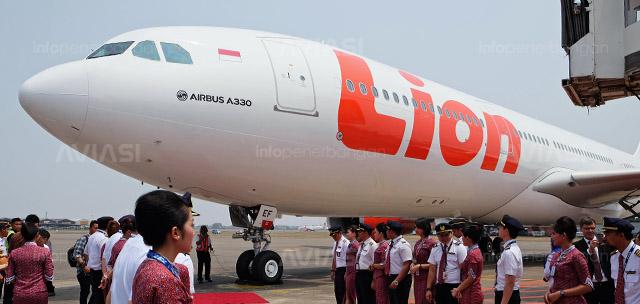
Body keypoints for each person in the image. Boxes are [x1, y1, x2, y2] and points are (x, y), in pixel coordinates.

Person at [111, 193, 197, 304]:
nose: (194, 232)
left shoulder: (146, 266)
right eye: (191, 225)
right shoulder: (165, 279)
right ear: (175, 232)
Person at [544, 216, 593, 304]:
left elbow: (588, 286)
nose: (552, 236)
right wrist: (549, 293)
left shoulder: (576, 256)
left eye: (554, 233)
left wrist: (561, 293)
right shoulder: (556, 255)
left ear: (563, 235)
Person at [5, 223, 54, 304]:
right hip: (39, 292)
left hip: (20, 293)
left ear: (22, 235)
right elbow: (49, 274)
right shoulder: (45, 251)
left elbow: (9, 276)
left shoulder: (14, 253)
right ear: (37, 235)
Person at [573, 217, 614, 304]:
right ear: (581, 229)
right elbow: (579, 263)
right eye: (587, 228)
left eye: (592, 228)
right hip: (589, 287)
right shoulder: (576, 246)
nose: (590, 230)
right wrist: (590, 250)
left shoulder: (604, 242)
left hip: (607, 286)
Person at [426, 222, 467, 304]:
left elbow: (464, 269)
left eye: (446, 235)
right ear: (437, 235)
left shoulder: (459, 247)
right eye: (441, 235)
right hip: (440, 286)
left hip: (454, 286)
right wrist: (428, 289)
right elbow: (432, 270)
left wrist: (461, 288)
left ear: (451, 233)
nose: (444, 238)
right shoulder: (435, 248)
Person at [602, 217, 640, 304]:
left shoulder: (638, 256)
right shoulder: (614, 257)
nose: (604, 237)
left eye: (607, 233)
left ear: (621, 234)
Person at [5, 214, 39, 304]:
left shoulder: (15, 236)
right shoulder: (37, 236)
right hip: (34, 273)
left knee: (9, 294)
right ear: (36, 224)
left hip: (16, 270)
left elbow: (10, 253)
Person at [495, 215, 524, 304]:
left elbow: (510, 282)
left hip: (507, 296)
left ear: (506, 230)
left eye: (500, 227)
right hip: (508, 294)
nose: (498, 229)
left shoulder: (509, 252)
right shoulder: (512, 248)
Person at [452, 224, 485, 304]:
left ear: (467, 238)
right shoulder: (473, 251)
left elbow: (471, 277)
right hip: (468, 292)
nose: (462, 238)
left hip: (471, 294)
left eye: (463, 236)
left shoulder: (473, 254)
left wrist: (458, 289)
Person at [84, 216, 112, 304]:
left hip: (92, 270)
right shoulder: (104, 238)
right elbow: (104, 257)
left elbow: (86, 253)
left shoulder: (92, 236)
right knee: (100, 297)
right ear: (108, 225)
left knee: (95, 294)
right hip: (100, 271)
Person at [385, 221, 412, 304]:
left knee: (400, 301)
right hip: (391, 277)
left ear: (392, 232)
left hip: (401, 279)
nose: (386, 232)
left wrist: (397, 281)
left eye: (387, 230)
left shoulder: (403, 245)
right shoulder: (391, 243)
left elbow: (407, 264)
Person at [411, 218, 435, 304]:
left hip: (427, 277)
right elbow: (415, 259)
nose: (415, 229)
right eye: (415, 227)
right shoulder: (418, 243)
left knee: (425, 300)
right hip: (417, 278)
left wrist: (420, 266)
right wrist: (413, 264)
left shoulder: (432, 243)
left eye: (418, 227)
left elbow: (434, 264)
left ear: (424, 228)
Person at [73, 220, 97, 304]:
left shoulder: (98, 239)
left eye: (98, 228)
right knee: (85, 291)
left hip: (93, 271)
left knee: (96, 291)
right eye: (95, 228)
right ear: (90, 228)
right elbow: (76, 254)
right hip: (83, 272)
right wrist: (84, 265)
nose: (97, 230)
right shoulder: (84, 239)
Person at [355, 223, 376, 304]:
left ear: (366, 233)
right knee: (360, 298)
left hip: (367, 275)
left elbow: (375, 263)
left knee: (368, 298)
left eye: (360, 232)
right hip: (359, 274)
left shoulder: (372, 245)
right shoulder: (362, 244)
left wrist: (374, 280)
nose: (358, 233)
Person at [370, 223, 390, 304]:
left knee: (382, 300)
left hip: (382, 277)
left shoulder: (384, 246)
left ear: (381, 234)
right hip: (377, 277)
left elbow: (385, 264)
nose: (374, 234)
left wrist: (374, 265)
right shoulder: (380, 245)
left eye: (375, 232)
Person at [330, 226, 349, 304]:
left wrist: (347, 273)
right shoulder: (335, 243)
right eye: (332, 236)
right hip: (337, 271)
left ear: (340, 233)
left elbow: (349, 260)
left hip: (344, 270)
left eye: (335, 235)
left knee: (342, 292)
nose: (333, 237)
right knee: (337, 292)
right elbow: (335, 258)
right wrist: (333, 270)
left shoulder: (346, 243)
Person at [344, 225, 360, 304]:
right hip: (349, 272)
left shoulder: (356, 245)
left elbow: (358, 259)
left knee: (352, 295)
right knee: (349, 295)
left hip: (353, 273)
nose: (347, 234)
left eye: (348, 232)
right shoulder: (350, 244)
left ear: (354, 233)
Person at [36, 229, 55, 297]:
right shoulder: (33, 246)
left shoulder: (46, 247)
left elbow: (49, 262)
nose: (46, 241)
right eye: (45, 239)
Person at [0, 222, 9, 300]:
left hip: (4, 269)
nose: (8, 231)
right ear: (2, 229)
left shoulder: (4, 240)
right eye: (7, 229)